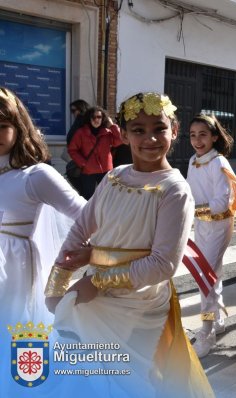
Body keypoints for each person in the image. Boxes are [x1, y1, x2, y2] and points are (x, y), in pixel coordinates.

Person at [44, 92, 214, 397]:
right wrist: (57, 282)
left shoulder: (173, 190)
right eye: (138, 130)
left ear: (174, 131)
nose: (150, 138)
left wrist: (95, 280)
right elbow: (81, 228)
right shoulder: (113, 178)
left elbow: (163, 265)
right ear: (122, 135)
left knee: (133, 384)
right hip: (93, 301)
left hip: (139, 306)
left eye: (159, 129)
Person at [0, 87, 86, 396]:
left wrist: (90, 255)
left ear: (18, 125)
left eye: (2, 125)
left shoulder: (35, 176)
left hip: (15, 272)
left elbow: (84, 214)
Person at [186, 114, 236, 358]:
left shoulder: (219, 162)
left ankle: (207, 330)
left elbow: (222, 203)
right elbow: (190, 194)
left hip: (219, 227)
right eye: (192, 135)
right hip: (200, 226)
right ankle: (218, 319)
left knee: (205, 279)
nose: (198, 140)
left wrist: (193, 208)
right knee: (213, 274)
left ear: (214, 136)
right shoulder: (193, 160)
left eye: (203, 134)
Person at [68, 106, 123, 199]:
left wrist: (112, 125)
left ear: (103, 118)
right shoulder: (81, 133)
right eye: (93, 117)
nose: (96, 120)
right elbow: (72, 150)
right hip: (88, 171)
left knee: (106, 197)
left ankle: (103, 213)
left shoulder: (107, 132)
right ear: (89, 118)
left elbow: (120, 140)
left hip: (105, 170)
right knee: (88, 197)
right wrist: (83, 163)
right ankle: (88, 214)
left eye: (99, 117)